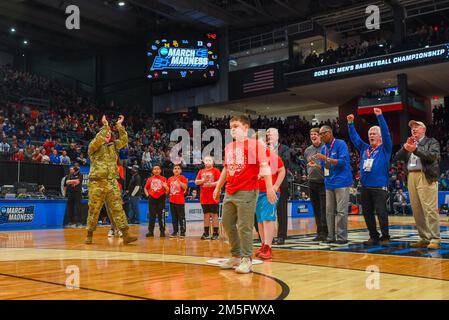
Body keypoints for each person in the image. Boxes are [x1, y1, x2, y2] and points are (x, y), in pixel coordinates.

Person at [213, 115, 277, 274]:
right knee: (227, 223)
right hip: (230, 190)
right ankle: (236, 255)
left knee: (244, 226)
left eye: (236, 126)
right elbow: (226, 169)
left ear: (246, 128)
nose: (232, 129)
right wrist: (218, 187)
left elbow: (265, 167)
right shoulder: (229, 147)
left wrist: (270, 188)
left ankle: (247, 259)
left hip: (248, 190)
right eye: (231, 126)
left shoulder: (255, 145)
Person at [84, 115, 137, 245]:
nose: (108, 135)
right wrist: (105, 126)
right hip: (97, 182)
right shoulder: (93, 146)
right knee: (94, 209)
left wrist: (119, 126)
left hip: (112, 181)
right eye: (105, 133)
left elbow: (124, 139)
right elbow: (98, 139)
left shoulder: (114, 145)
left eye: (109, 133)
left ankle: (126, 234)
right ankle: (89, 234)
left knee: (118, 208)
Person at [347, 108, 392, 245]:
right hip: (365, 187)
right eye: (370, 134)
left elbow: (386, 132)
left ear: (380, 137)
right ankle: (373, 236)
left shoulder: (385, 148)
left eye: (374, 133)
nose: (371, 135)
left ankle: (385, 236)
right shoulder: (364, 149)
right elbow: (355, 138)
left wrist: (380, 117)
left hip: (379, 187)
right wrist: (350, 124)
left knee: (381, 213)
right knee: (367, 213)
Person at [394, 120, 441, 249]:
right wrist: (405, 148)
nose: (413, 129)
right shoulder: (410, 144)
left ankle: (435, 238)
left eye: (417, 127)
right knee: (417, 210)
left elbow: (433, 156)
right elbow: (396, 158)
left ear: (423, 130)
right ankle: (424, 238)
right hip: (411, 176)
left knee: (430, 209)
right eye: (412, 128)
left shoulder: (431, 142)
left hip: (425, 176)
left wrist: (416, 149)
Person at [314, 125, 353, 244]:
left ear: (329, 133)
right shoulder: (323, 149)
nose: (321, 136)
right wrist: (315, 165)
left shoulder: (341, 144)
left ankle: (342, 237)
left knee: (341, 211)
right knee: (329, 212)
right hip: (329, 182)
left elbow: (342, 162)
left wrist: (326, 159)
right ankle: (331, 236)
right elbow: (324, 167)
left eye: (322, 134)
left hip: (341, 182)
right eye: (319, 134)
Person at [253, 131, 285, 260]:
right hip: (256, 192)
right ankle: (263, 244)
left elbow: (282, 170)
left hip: (269, 192)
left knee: (267, 219)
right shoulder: (252, 157)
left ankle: (268, 247)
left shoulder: (271, 155)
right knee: (260, 220)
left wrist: (276, 186)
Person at [266, 128, 292, 245]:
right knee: (266, 212)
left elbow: (285, 163)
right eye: (267, 134)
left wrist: (272, 154)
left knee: (281, 212)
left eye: (271, 134)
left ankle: (282, 236)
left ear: (277, 136)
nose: (268, 136)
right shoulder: (263, 149)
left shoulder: (285, 149)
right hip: (266, 185)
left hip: (281, 184)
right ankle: (268, 237)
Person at [304, 127, 327, 241]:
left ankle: (325, 232)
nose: (313, 136)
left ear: (320, 136)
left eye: (315, 134)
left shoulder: (325, 147)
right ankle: (319, 232)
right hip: (311, 182)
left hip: (323, 182)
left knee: (323, 209)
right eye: (311, 134)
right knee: (316, 209)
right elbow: (306, 164)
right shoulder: (307, 150)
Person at [195, 156, 221, 240]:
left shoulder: (216, 170)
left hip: (213, 196)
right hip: (204, 197)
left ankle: (215, 233)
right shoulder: (201, 171)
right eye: (206, 160)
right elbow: (196, 181)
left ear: (213, 162)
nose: (207, 162)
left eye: (209, 160)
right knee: (206, 215)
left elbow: (220, 181)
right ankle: (206, 233)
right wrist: (202, 181)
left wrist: (212, 184)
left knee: (214, 215)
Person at [144, 164, 169, 237]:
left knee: (161, 216)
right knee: (152, 216)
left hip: (161, 199)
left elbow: (167, 190)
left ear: (160, 170)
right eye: (155, 169)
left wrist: (166, 188)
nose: (156, 170)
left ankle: (162, 231)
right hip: (152, 199)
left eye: (158, 169)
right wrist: (148, 195)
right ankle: (150, 232)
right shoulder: (150, 179)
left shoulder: (164, 178)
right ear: (152, 171)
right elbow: (145, 188)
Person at [168, 165, 188, 238]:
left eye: (178, 169)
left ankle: (182, 232)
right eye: (175, 168)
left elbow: (185, 187)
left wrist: (179, 181)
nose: (176, 170)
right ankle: (175, 231)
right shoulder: (170, 179)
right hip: (172, 200)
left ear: (181, 171)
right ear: (173, 170)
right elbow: (168, 189)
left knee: (181, 217)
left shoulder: (183, 178)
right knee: (174, 217)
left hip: (180, 201)